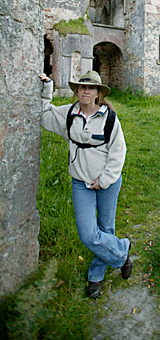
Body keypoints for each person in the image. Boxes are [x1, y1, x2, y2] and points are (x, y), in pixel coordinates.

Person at [39, 70, 132, 299]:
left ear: (98, 93)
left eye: (91, 88)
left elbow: (118, 153)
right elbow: (42, 115)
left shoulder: (109, 117)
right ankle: (122, 251)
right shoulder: (69, 114)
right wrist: (47, 89)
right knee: (89, 235)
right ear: (77, 91)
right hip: (81, 181)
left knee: (105, 228)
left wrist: (104, 180)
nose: (86, 91)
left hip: (107, 182)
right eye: (82, 87)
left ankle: (96, 276)